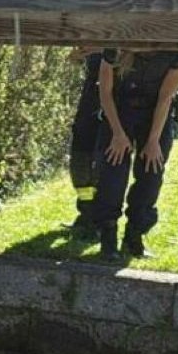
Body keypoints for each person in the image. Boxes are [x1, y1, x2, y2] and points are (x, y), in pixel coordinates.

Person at [93, 48, 178, 261]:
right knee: (112, 174)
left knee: (151, 173)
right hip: (118, 111)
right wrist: (118, 133)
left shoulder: (176, 53)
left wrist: (153, 140)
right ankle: (108, 237)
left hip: (155, 114)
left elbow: (165, 98)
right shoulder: (114, 50)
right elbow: (105, 92)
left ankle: (134, 235)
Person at [66, 48, 105, 239]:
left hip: (115, 98)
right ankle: (85, 213)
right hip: (90, 99)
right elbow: (74, 60)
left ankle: (99, 219)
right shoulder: (92, 37)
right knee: (80, 156)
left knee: (102, 158)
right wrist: (78, 55)